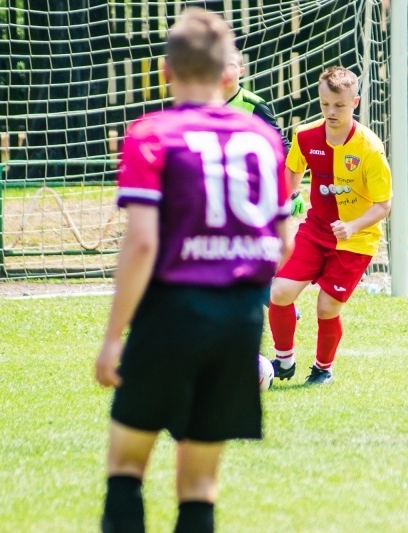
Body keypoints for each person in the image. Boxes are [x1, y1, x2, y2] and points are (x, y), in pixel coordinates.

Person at [94, 8, 292, 533]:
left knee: (126, 468)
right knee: (200, 487)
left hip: (170, 316)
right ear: (229, 72)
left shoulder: (150, 133)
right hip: (238, 324)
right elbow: (285, 243)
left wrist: (114, 337)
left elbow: (141, 244)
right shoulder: (264, 140)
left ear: (165, 70)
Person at [267, 66, 392, 386]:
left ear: (355, 102)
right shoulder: (306, 136)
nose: (330, 112)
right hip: (315, 230)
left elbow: (383, 205)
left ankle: (322, 368)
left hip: (356, 240)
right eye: (324, 105)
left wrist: (352, 226)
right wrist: (282, 202)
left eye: (338, 105)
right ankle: (283, 363)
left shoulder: (370, 149)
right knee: (279, 293)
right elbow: (292, 173)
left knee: (326, 306)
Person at [222, 45, 304, 217]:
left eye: (231, 66)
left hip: (248, 188)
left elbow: (281, 145)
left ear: (242, 71)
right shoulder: (203, 104)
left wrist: (293, 190)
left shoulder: (255, 105)